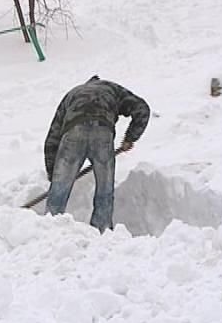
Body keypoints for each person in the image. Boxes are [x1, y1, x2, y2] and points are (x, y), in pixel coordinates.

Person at [44, 75, 150, 232]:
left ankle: (48, 229)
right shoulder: (114, 90)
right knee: (105, 191)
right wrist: (130, 137)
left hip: (74, 131)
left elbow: (52, 137)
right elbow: (142, 109)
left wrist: (54, 174)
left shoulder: (73, 93)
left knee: (59, 189)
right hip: (103, 133)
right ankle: (102, 232)